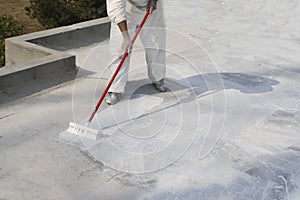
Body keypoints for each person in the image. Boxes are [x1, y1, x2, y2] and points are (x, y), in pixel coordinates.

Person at [105, 0, 167, 105]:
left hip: (150, 8)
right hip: (128, 9)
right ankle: (115, 89)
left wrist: (153, 1)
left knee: (155, 45)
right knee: (120, 49)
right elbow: (116, 8)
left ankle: (158, 78)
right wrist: (126, 37)